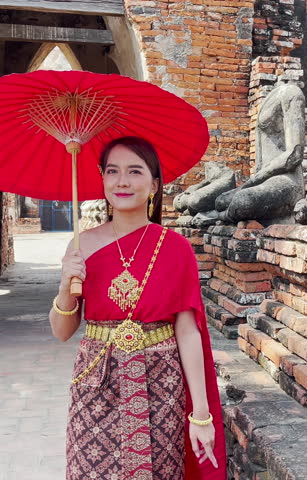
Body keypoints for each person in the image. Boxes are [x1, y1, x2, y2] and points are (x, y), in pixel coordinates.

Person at [49, 136, 226, 480]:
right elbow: (61, 332)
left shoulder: (174, 248)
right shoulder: (81, 245)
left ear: (155, 184)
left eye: (134, 171)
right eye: (113, 171)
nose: (123, 181)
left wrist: (201, 415)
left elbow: (188, 331)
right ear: (102, 179)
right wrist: (64, 286)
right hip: (96, 386)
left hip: (161, 385)